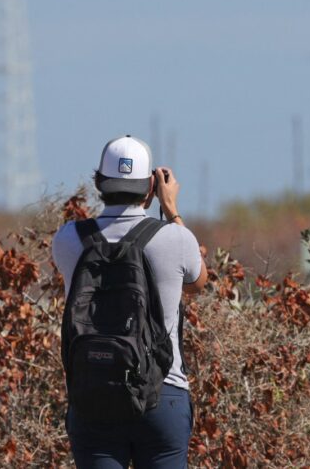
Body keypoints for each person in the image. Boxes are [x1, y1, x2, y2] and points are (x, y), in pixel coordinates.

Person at [52, 135, 208, 469]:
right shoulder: (176, 239)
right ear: (151, 185)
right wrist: (171, 211)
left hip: (93, 393)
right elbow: (198, 283)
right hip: (162, 392)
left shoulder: (68, 239)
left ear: (98, 183)